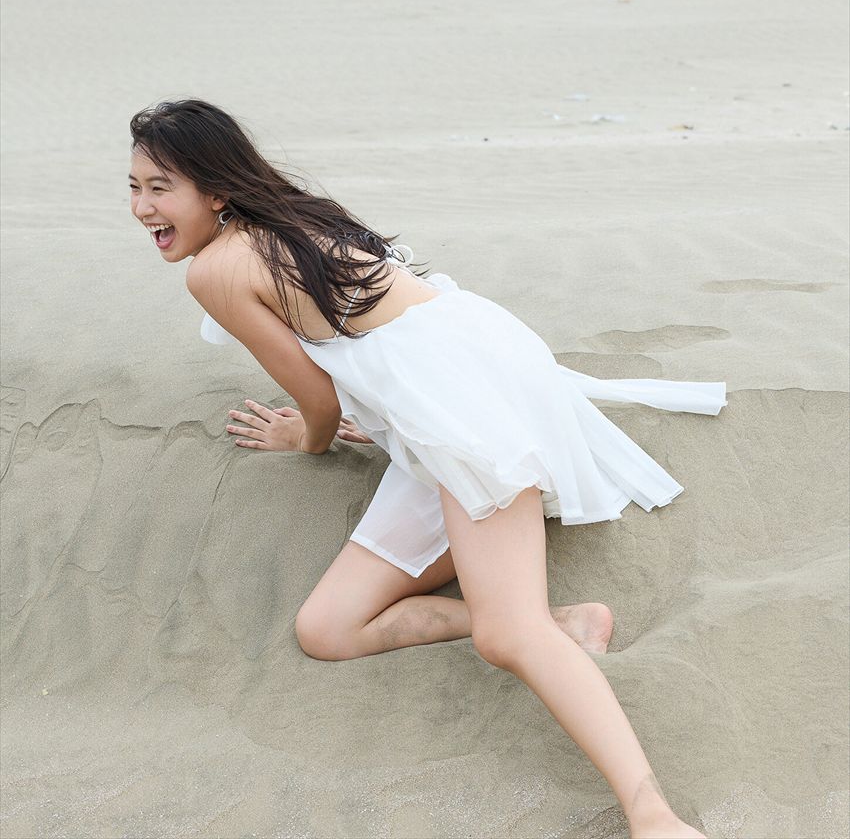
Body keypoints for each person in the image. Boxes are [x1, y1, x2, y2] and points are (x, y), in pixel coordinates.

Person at [129, 97, 722, 839]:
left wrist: (308, 439)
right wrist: (380, 418)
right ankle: (569, 623)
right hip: (462, 386)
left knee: (507, 636)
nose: (142, 207)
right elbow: (385, 334)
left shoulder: (218, 267)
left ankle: (653, 814)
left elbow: (317, 398)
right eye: (134, 187)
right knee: (328, 629)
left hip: (463, 414)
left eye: (160, 187)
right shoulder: (289, 222)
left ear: (216, 191)